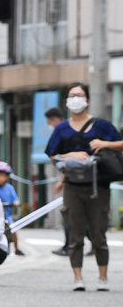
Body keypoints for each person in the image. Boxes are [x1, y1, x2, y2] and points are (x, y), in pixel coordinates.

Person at [45, 82, 123, 291]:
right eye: (72, 95)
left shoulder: (101, 125)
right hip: (72, 185)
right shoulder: (61, 128)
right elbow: (52, 156)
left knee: (99, 232)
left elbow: (121, 142)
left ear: (87, 100)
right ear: (67, 101)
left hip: (99, 185)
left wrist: (104, 143)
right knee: (75, 232)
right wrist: (70, 155)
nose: (76, 99)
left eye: (80, 95)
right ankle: (78, 278)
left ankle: (103, 277)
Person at [45, 107, 71, 256]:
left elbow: (65, 161)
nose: (50, 125)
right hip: (72, 178)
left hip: (72, 181)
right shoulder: (66, 130)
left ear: (55, 120)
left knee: (68, 215)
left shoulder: (63, 132)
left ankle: (69, 246)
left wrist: (61, 180)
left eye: (49, 122)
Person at [0, 161, 24, 256]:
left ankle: (16, 248)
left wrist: (16, 203)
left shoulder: (10, 188)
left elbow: (16, 200)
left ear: (7, 177)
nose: (1, 177)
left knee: (13, 229)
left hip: (7, 216)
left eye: (3, 175)